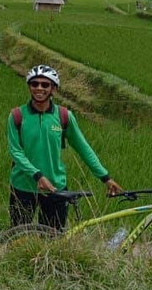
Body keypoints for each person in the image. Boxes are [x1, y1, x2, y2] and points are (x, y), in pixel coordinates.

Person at [7, 64, 122, 229]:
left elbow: (83, 148)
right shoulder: (17, 116)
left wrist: (105, 177)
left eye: (45, 84)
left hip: (55, 187)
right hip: (22, 187)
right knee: (18, 237)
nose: (39, 88)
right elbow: (15, 151)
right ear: (29, 87)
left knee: (53, 238)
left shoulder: (63, 116)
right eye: (35, 84)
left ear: (54, 88)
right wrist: (38, 176)